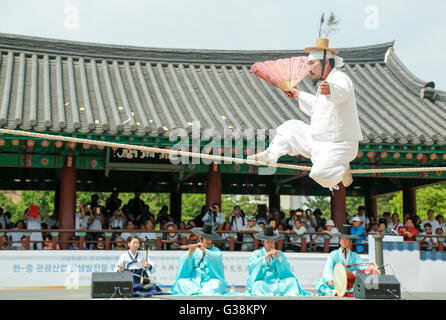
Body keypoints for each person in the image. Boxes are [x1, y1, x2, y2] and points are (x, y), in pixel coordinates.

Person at [248, 38, 362, 191]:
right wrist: (298, 94)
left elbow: (342, 92)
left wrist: (331, 90)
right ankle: (271, 155)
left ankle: (340, 170)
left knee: (319, 174)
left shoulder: (340, 79)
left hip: (339, 145)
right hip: (317, 142)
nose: (308, 69)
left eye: (311, 63)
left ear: (326, 62)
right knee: (290, 127)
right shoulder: (325, 85)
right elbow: (317, 106)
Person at [245, 225, 313, 296]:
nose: (270, 244)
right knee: (257, 285)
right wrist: (265, 257)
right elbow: (252, 266)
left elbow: (286, 268)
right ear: (263, 242)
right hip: (264, 282)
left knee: (292, 281)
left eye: (272, 242)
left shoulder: (279, 253)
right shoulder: (256, 254)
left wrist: (278, 258)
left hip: (278, 281)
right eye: (268, 242)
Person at [170, 223, 228, 295]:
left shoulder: (215, 250)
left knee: (216, 284)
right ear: (200, 239)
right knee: (181, 282)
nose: (208, 241)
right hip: (194, 280)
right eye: (206, 239)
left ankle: (203, 291)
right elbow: (184, 262)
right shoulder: (195, 250)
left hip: (209, 280)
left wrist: (205, 250)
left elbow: (217, 257)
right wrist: (190, 254)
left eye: (210, 239)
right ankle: (197, 290)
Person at [313, 224, 368, 296]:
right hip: (336, 282)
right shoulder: (333, 254)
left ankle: (340, 291)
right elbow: (328, 268)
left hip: (350, 283)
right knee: (321, 284)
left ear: (350, 242)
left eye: (346, 239)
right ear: (339, 241)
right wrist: (329, 279)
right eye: (342, 239)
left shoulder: (355, 256)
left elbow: (362, 267)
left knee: (361, 284)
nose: (344, 241)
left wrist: (367, 270)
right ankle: (336, 291)